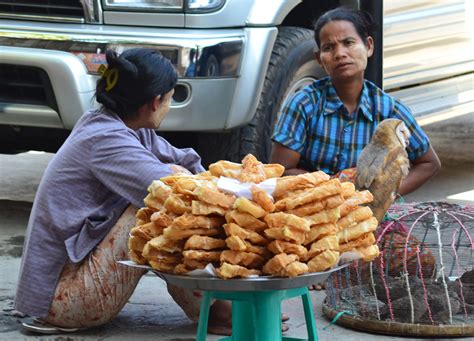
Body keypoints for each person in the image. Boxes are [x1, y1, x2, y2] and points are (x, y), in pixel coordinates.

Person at [14, 48, 233, 334]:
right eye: (169, 98)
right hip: (60, 298)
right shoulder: (104, 138)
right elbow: (173, 192)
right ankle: (217, 310)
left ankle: (217, 306)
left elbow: (186, 160)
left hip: (78, 278)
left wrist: (198, 176)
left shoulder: (129, 128)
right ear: (156, 101)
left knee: (173, 193)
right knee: (158, 210)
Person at [270, 7, 441, 195]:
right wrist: (333, 189)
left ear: (368, 46)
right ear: (320, 59)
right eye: (328, 47)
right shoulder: (304, 104)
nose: (340, 53)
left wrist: (382, 196)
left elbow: (429, 163)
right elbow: (281, 171)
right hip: (311, 207)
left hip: (365, 212)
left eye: (348, 42)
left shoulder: (389, 110)